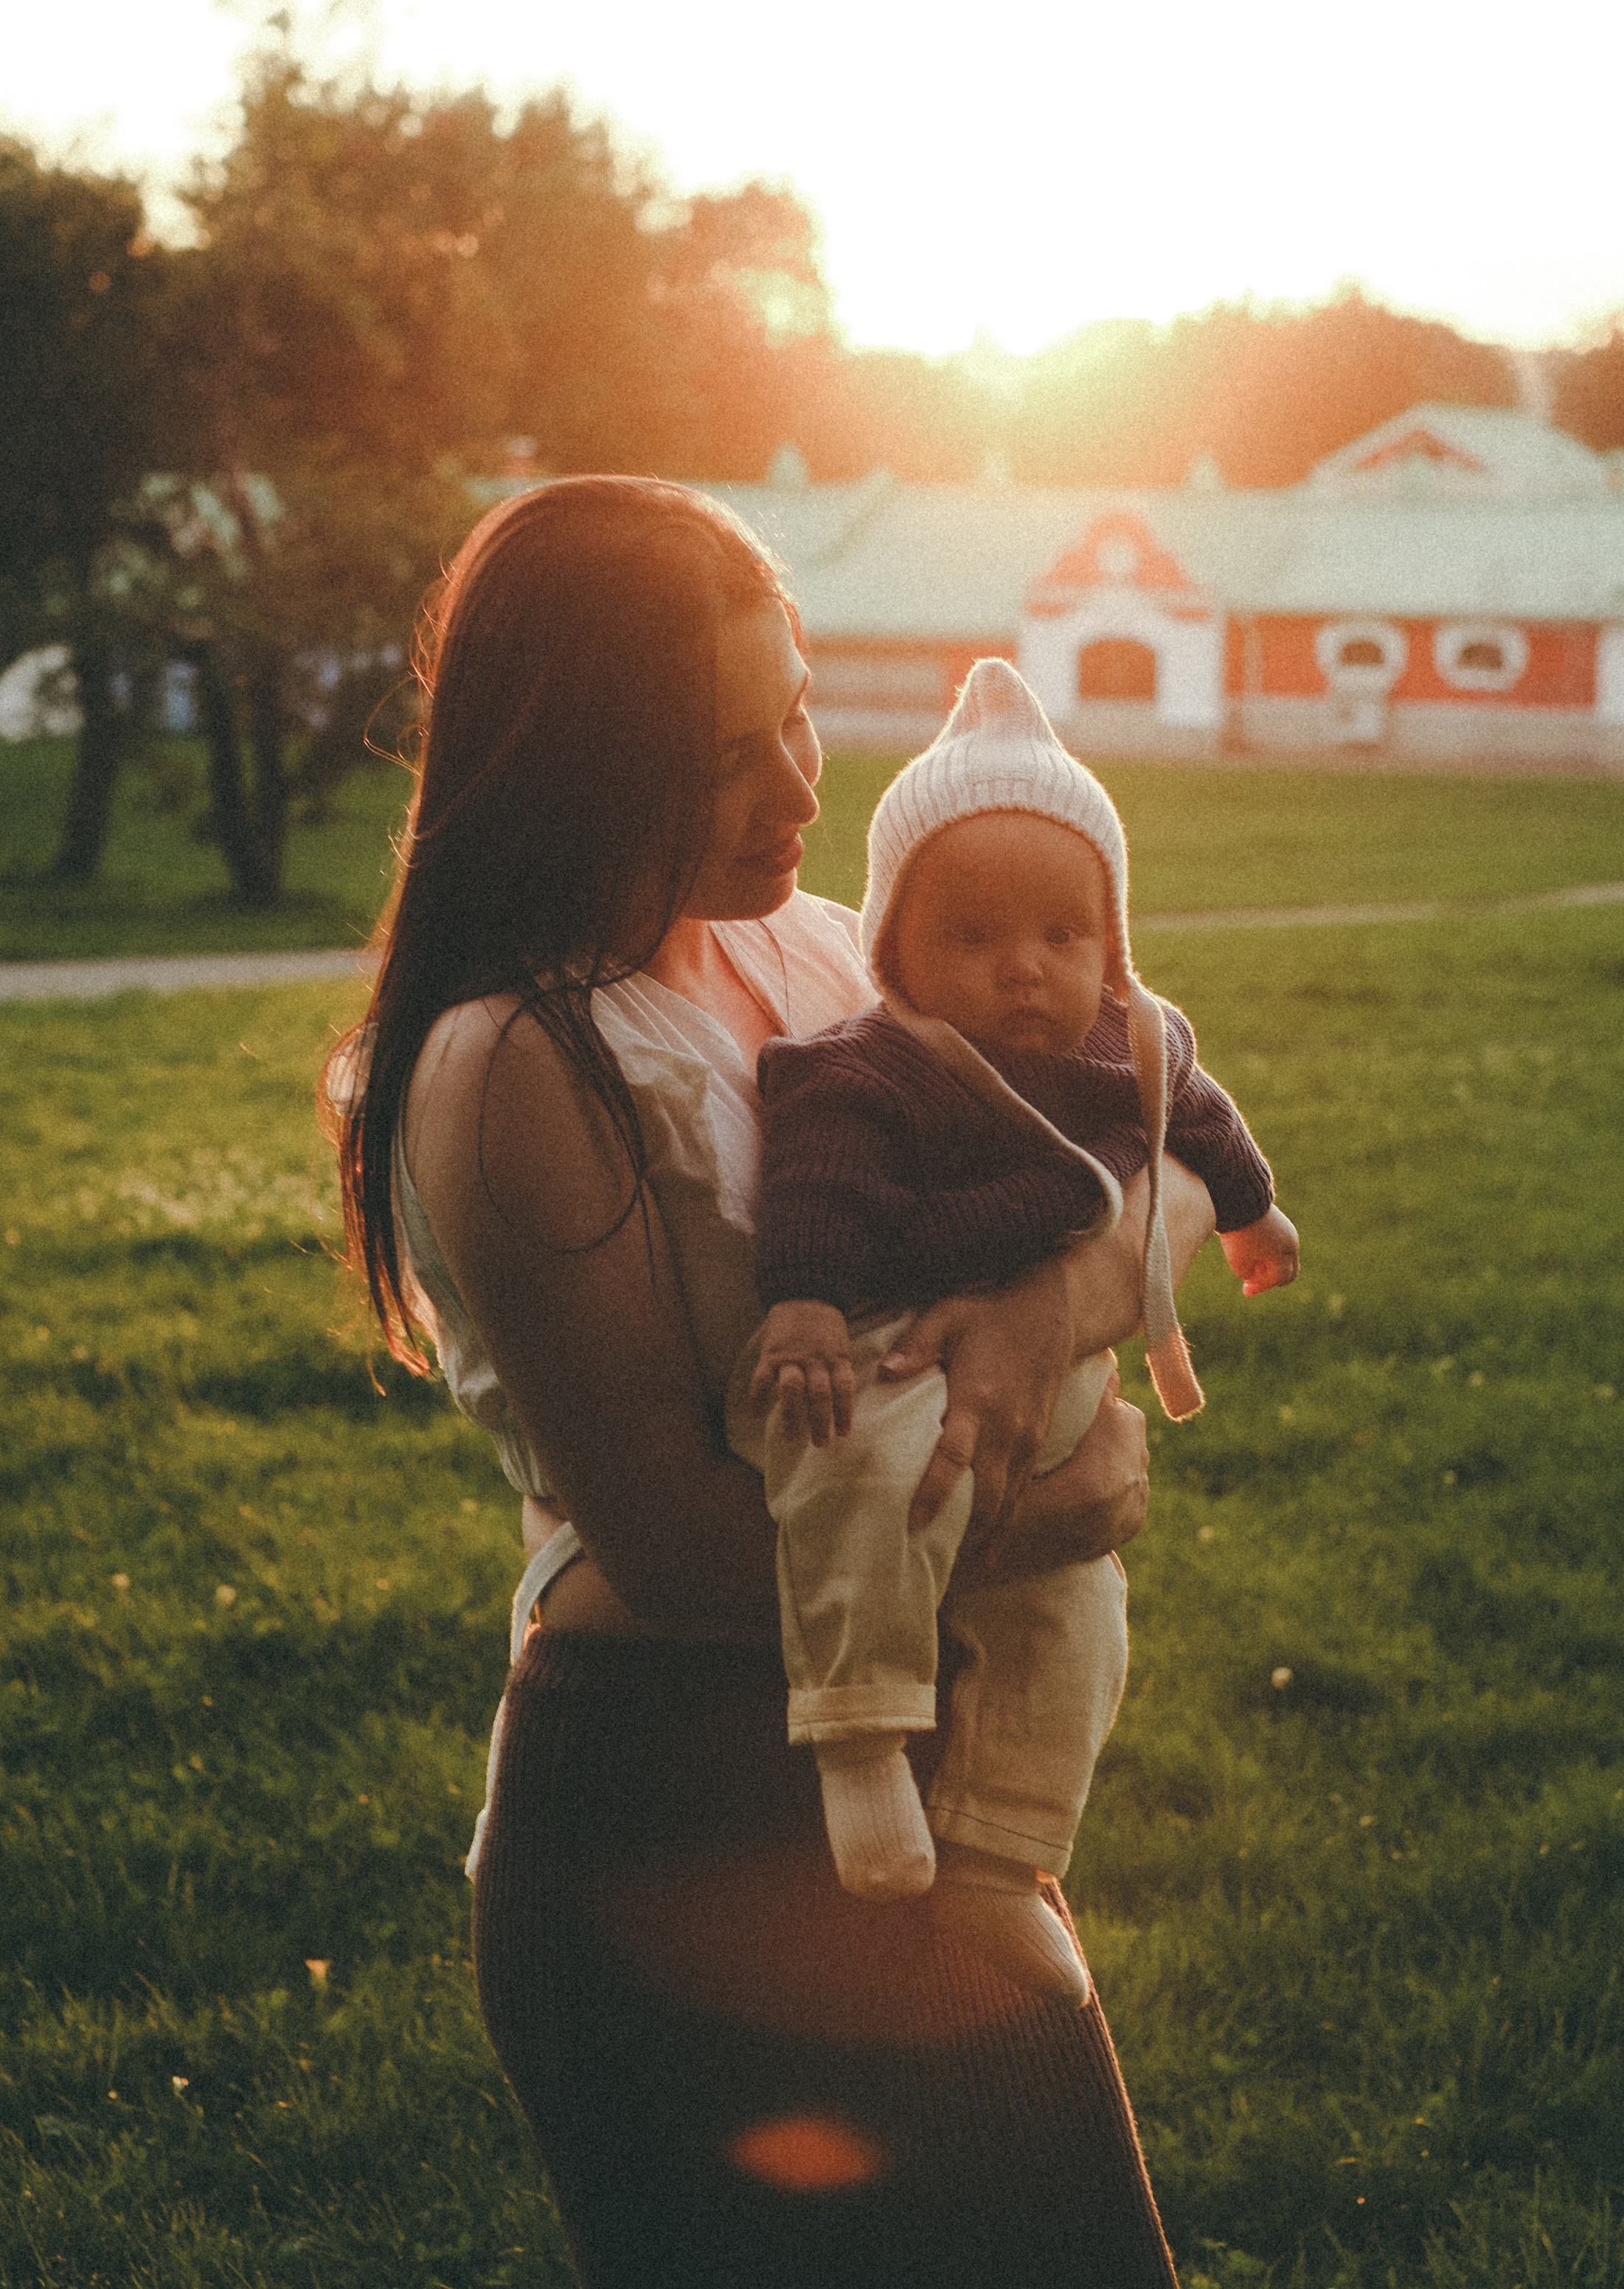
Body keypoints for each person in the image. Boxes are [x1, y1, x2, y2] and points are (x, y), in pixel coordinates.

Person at [325, 476, 1226, 2289]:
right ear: (579, 758)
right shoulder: (517, 1064)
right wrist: (1063, 1506)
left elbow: (1144, 1155)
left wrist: (1050, 1313)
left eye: (799, 706)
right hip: (674, 1815)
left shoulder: (818, 945)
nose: (804, 780)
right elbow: (680, 1550)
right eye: (727, 751)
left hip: (908, 1756)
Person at [731, 659, 1298, 2008]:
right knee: (861, 1474)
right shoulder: (872, 1064)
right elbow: (817, 1178)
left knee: (1077, 1612)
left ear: (1110, 938)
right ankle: (860, 1733)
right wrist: (807, 1295)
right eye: (974, 938)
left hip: (1062, 1373)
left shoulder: (1137, 1042)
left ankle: (1002, 1846)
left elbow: (1201, 1126)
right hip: (902, 1335)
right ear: (894, 951)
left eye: (1062, 935)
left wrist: (1255, 1218)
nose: (1025, 970)